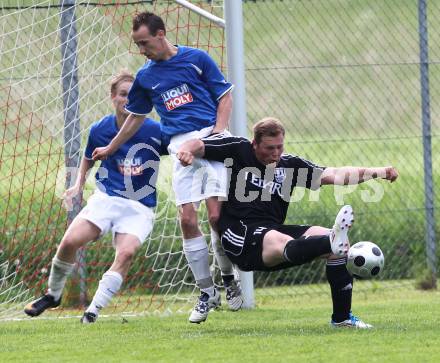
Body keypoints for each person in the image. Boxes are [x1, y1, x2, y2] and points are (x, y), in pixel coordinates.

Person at [176, 117, 399, 328]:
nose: (275, 154)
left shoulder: (289, 166)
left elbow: (334, 174)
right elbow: (198, 144)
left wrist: (377, 172)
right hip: (239, 235)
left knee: (335, 246)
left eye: (279, 147)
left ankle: (342, 319)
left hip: (272, 231)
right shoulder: (238, 150)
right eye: (269, 148)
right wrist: (186, 151)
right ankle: (330, 241)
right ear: (255, 144)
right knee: (281, 239)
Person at [91, 12, 243, 323]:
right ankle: (207, 291)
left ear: (161, 34)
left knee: (216, 217)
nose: (141, 49)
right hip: (179, 146)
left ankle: (228, 278)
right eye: (137, 44)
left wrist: (218, 132)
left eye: (144, 42)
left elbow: (225, 95)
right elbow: (135, 117)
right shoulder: (145, 77)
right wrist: (111, 147)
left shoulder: (196, 58)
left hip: (209, 138)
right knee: (187, 219)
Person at [24, 70, 168, 323]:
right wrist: (78, 184)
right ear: (113, 97)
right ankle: (53, 295)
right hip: (106, 198)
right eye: (123, 94)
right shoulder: (100, 129)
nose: (128, 100)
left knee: (126, 253)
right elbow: (88, 158)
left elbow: (181, 147)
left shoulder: (155, 130)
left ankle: (92, 312)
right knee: (69, 242)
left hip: (140, 206)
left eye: (133, 95)